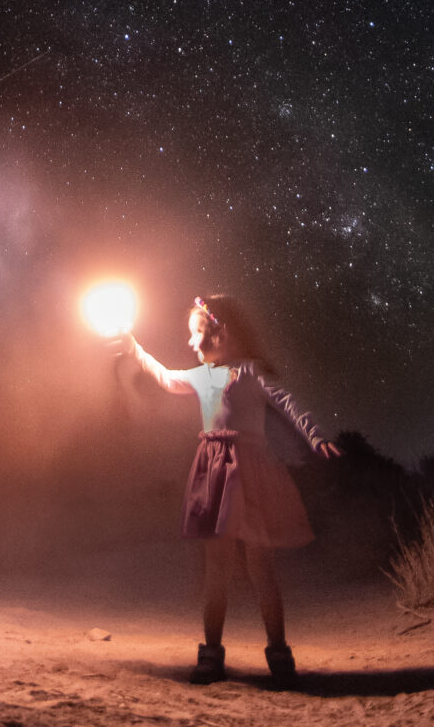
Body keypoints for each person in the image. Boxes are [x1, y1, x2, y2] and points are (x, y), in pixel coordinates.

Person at [119, 292, 339, 682]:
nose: (190, 342)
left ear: (221, 334)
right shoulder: (203, 376)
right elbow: (166, 378)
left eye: (196, 333)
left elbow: (288, 402)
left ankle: (278, 653)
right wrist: (134, 348)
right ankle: (211, 654)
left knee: (262, 568)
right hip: (215, 472)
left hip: (252, 472)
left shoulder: (252, 372)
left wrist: (315, 435)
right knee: (216, 570)